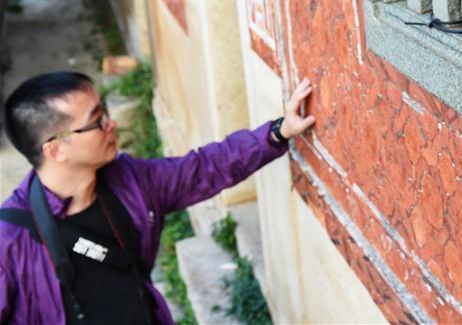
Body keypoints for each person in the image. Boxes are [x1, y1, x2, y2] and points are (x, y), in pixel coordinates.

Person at [0, 71, 316, 323]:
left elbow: (204, 168)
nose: (111, 124)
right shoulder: (9, 241)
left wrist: (278, 132)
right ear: (55, 149)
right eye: (96, 121)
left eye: (105, 110)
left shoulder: (130, 181)